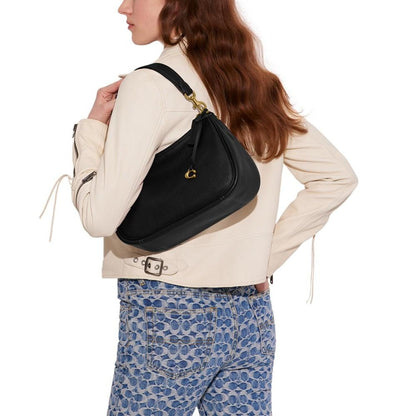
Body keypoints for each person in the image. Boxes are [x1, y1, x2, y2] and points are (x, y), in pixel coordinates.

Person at [39, 0, 358, 414]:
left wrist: (92, 132)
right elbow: (336, 177)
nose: (123, 7)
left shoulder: (149, 86)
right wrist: (262, 260)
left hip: (170, 312)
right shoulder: (252, 83)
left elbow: (98, 216)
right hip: (251, 315)